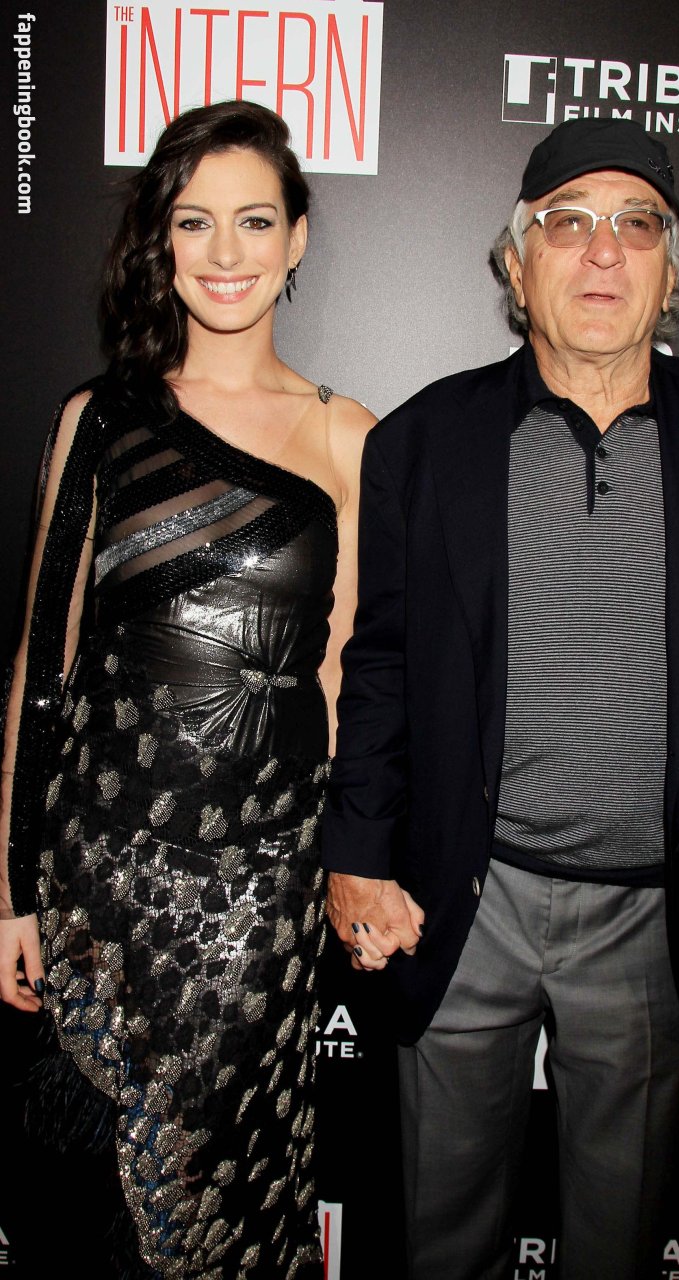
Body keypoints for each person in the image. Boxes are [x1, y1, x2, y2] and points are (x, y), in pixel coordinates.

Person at [322, 118, 679, 1278]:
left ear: (668, 269)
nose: (603, 250)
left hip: (655, 917)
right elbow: (381, 663)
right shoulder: (424, 439)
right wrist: (356, 853)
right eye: (568, 223)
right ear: (518, 265)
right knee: (440, 1236)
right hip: (463, 901)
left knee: (618, 1237)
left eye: (635, 224)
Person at [0, 100, 373, 1277]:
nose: (224, 252)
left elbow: (341, 676)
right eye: (194, 220)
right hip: (96, 886)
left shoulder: (350, 438)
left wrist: (342, 867)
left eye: (254, 220)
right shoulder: (99, 419)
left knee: (231, 1213)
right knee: (86, 1222)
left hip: (262, 902)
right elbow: (43, 663)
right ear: (162, 238)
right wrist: (11, 887)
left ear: (296, 238)